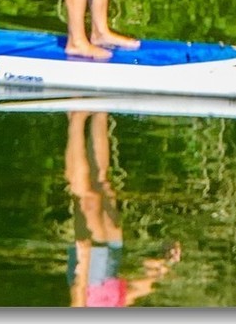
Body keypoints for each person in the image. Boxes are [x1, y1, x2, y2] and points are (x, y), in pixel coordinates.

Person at [65, 111, 181, 307]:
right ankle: (101, 113)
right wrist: (163, 266)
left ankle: (77, 118)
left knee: (87, 199)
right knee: (104, 186)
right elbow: (131, 294)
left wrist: (83, 264)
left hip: (90, 281)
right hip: (111, 279)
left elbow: (77, 299)